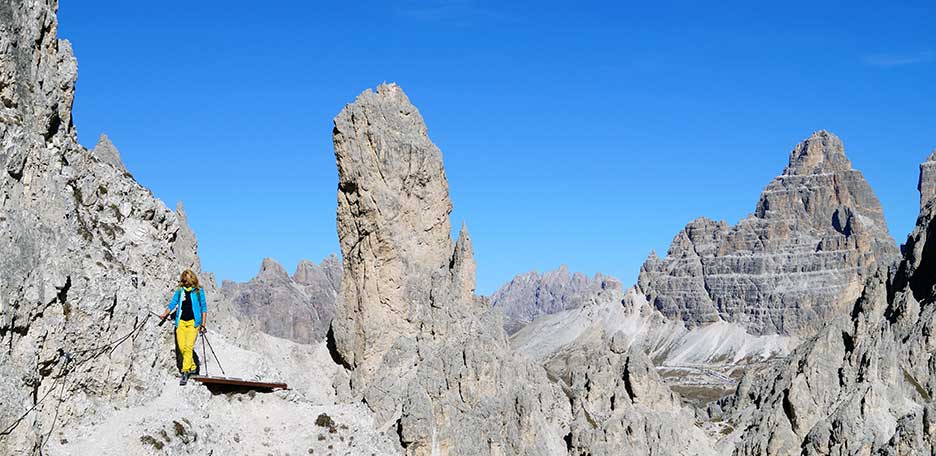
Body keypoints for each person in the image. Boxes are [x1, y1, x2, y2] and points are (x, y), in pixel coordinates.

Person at [160, 269, 208, 385]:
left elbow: (204, 308)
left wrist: (203, 324)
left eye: (187, 280)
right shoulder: (180, 291)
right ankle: (192, 366)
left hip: (193, 323)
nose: (185, 282)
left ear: (192, 279)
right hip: (180, 322)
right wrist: (165, 314)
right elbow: (173, 303)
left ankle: (185, 372)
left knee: (188, 346)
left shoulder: (198, 291)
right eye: (184, 280)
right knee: (182, 347)